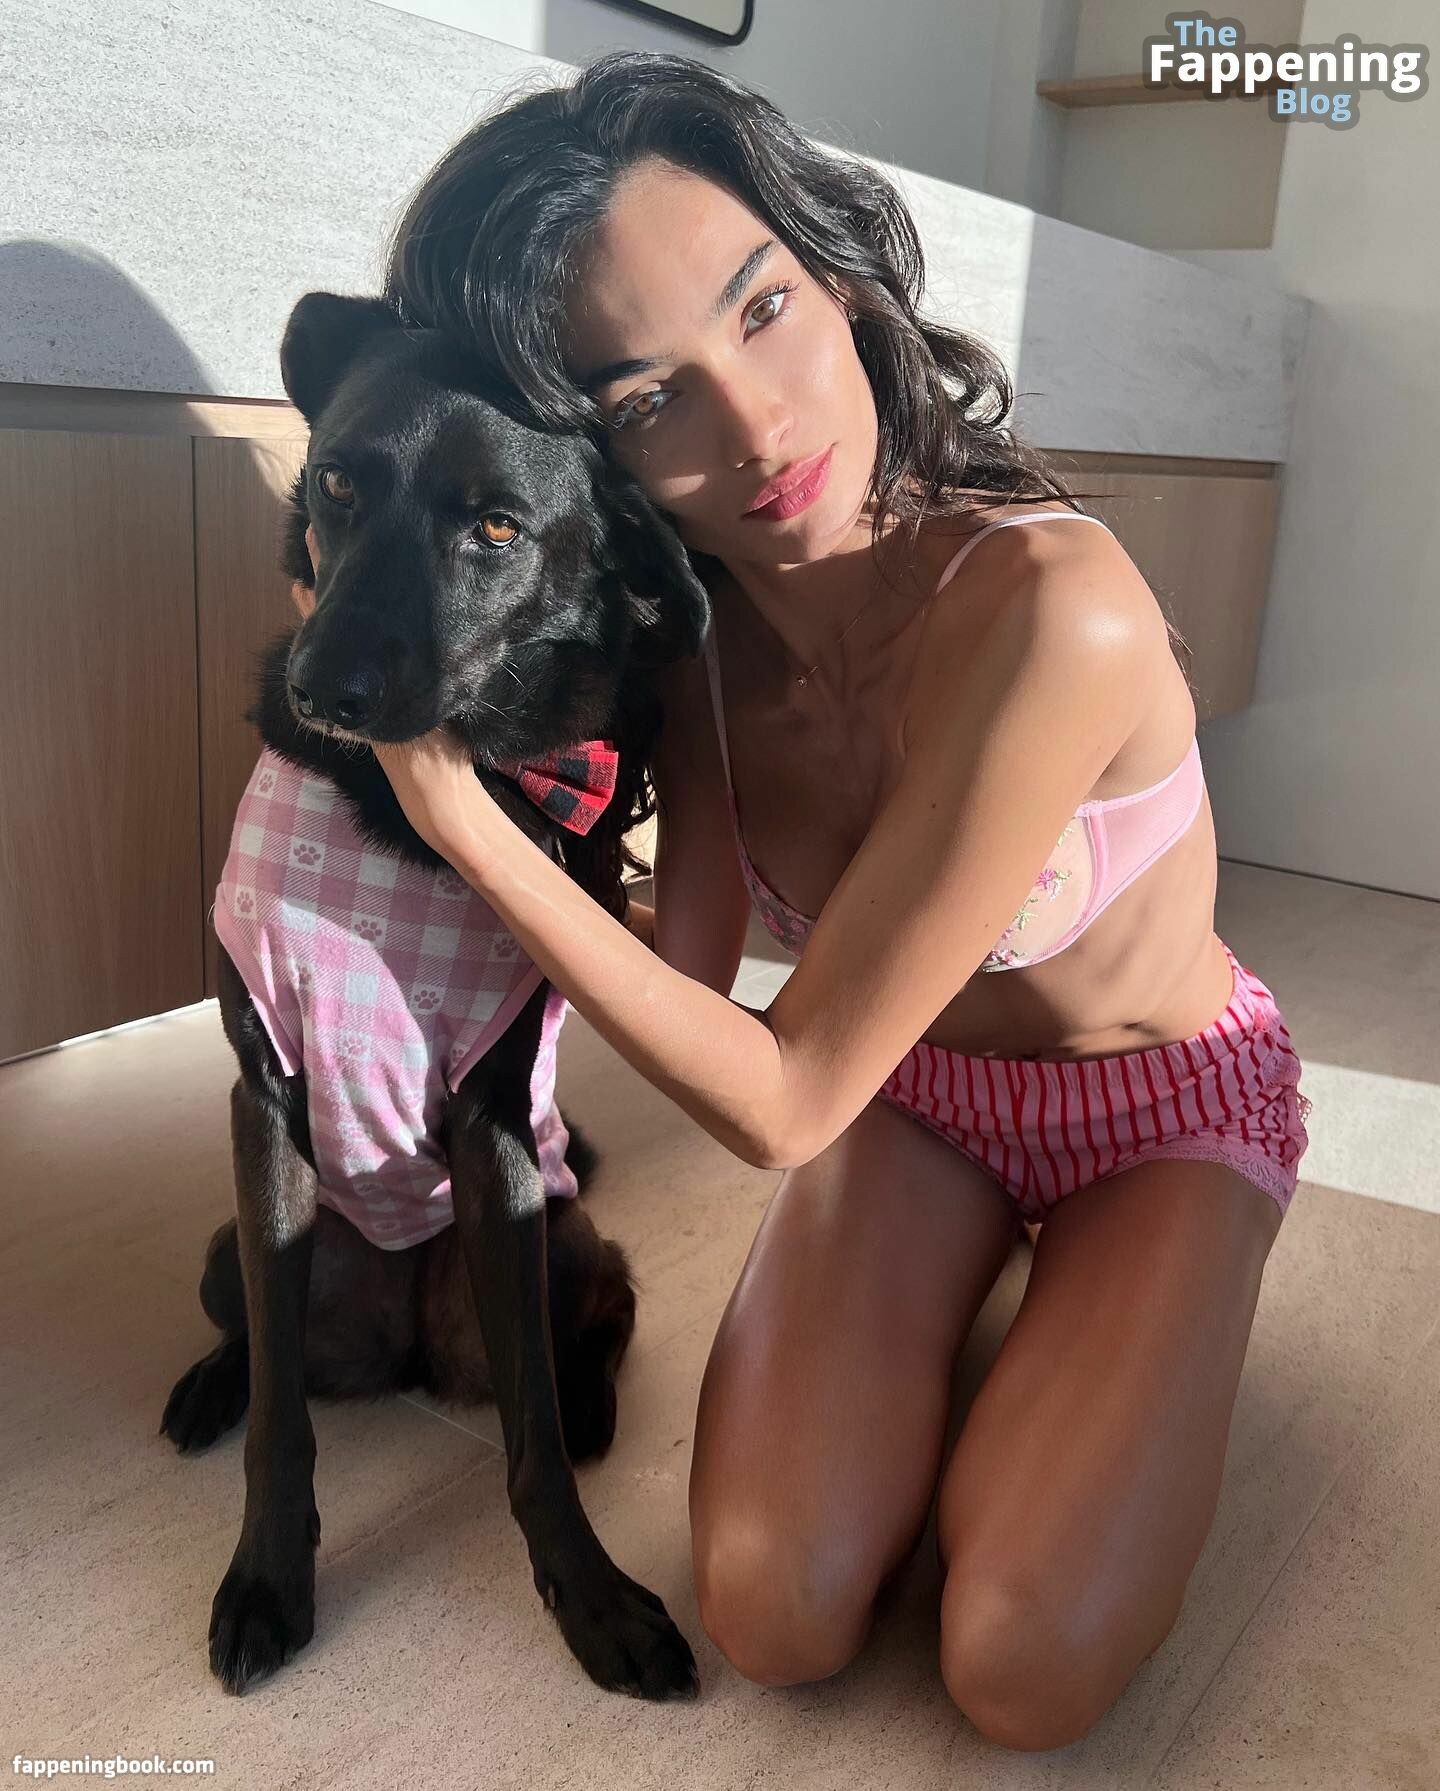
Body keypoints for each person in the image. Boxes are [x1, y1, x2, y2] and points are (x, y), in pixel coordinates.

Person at [298, 52, 1312, 1752]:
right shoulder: (698, 651)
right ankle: (989, 1320)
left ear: (838, 276)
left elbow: (779, 1102)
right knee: (773, 1611)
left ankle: (1138, 1297)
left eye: (763, 309)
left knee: (1021, 1665)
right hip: (913, 1105)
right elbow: (686, 980)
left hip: (1160, 1111)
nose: (760, 428)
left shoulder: (1055, 608)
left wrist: (451, 813)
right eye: (647, 401)